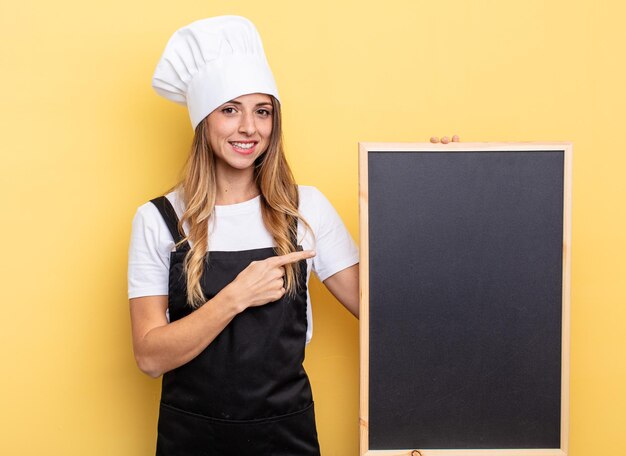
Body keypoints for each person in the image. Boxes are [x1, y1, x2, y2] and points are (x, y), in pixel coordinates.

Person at [128, 16, 359, 455]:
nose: (249, 128)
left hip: (285, 437)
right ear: (204, 122)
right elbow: (149, 357)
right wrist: (235, 297)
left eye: (263, 111)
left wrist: (424, 189)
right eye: (230, 109)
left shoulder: (305, 209)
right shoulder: (158, 219)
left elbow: (384, 312)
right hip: (191, 440)